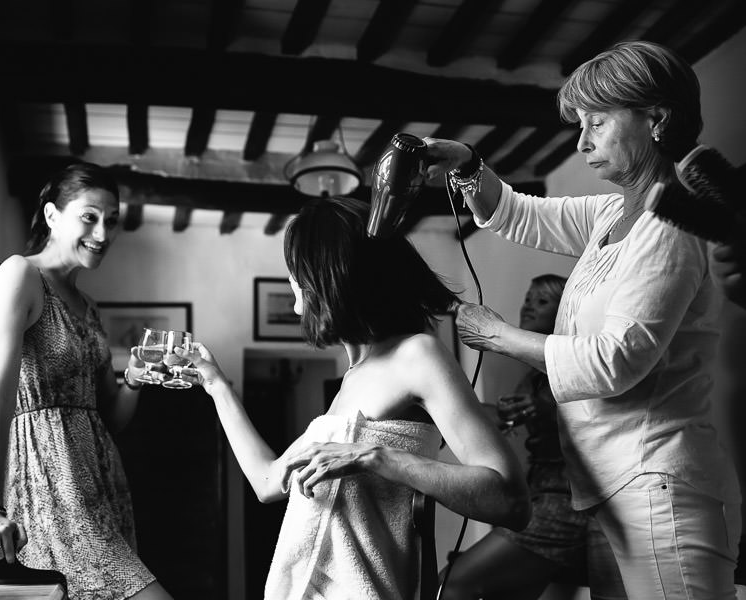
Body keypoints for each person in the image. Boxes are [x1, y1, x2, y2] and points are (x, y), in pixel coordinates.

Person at [423, 40, 741, 598]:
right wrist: (469, 165)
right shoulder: (615, 212)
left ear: (657, 119)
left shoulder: (672, 221)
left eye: (597, 121)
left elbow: (614, 361)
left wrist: (499, 336)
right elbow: (518, 214)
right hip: (606, 486)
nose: (582, 140)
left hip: (657, 485)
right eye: (580, 124)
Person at [163, 194, 530, 600]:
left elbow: (510, 501)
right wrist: (216, 384)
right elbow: (268, 481)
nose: (291, 280)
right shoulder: (351, 379)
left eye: (296, 269)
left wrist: (376, 457)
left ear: (326, 276)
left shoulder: (417, 355)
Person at [0, 162, 173, 600]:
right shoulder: (19, 275)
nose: (103, 233)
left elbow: (110, 417)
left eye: (111, 221)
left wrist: (133, 378)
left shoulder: (89, 306)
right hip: (49, 488)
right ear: (52, 215)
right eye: (89, 216)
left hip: (102, 487)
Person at [438, 275, 626, 600]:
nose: (529, 306)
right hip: (537, 496)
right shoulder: (531, 376)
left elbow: (599, 417)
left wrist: (542, 407)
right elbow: (502, 417)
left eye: (543, 302)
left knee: (451, 584)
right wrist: (437, 405)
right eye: (529, 298)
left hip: (566, 503)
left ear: (563, 312)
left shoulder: (576, 364)